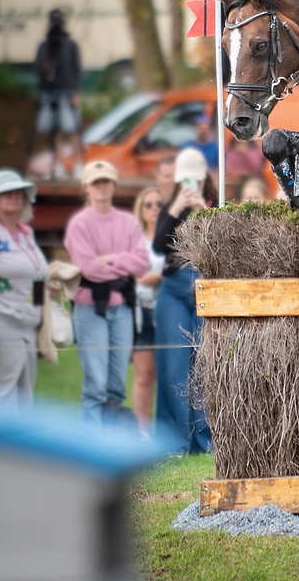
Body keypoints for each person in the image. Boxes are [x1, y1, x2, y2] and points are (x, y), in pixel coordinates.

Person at [64, 161, 148, 425]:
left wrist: (110, 258)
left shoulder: (128, 222)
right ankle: (90, 437)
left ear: (113, 185)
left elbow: (141, 263)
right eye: (96, 182)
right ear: (86, 188)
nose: (101, 187)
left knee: (116, 384)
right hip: (90, 308)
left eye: (106, 181)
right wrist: (123, 265)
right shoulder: (79, 224)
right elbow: (88, 268)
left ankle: (111, 437)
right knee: (96, 385)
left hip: (122, 307)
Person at [153, 148, 215, 453]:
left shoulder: (216, 205)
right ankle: (175, 442)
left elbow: (219, 246)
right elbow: (158, 246)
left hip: (205, 286)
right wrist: (177, 207)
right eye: (186, 179)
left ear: (204, 177)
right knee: (173, 366)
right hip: (175, 287)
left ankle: (206, 439)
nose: (192, 184)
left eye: (196, 178)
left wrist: (202, 210)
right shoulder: (171, 208)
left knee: (204, 364)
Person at [0, 170, 48, 408]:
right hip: (0, 322)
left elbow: (37, 274)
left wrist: (41, 308)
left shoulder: (27, 233)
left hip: (29, 324)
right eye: (6, 192)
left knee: (24, 398)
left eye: (19, 192)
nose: (14, 196)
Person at [132, 186, 165, 438]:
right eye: (148, 204)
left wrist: (159, 276)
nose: (154, 208)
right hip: (141, 311)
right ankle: (142, 432)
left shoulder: (171, 238)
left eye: (159, 204)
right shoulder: (133, 240)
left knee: (168, 374)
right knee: (144, 374)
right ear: (140, 210)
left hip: (166, 310)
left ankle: (167, 431)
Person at [34, 9, 82, 179]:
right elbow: (38, 67)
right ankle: (58, 165)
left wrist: (75, 91)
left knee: (72, 128)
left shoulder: (70, 45)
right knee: (54, 130)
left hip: (66, 90)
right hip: (49, 91)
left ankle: (78, 165)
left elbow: (76, 69)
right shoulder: (45, 45)